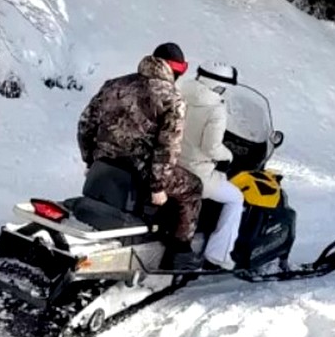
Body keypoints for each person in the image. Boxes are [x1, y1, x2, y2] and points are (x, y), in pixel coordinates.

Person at [77, 42, 204, 271]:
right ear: (176, 70)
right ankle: (180, 250)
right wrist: (158, 187)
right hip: (140, 172)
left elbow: (85, 125)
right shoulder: (172, 98)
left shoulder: (114, 85)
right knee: (194, 186)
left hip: (104, 165)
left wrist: (91, 160)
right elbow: (167, 147)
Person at [178, 63, 244, 272]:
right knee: (235, 198)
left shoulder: (180, 92)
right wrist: (228, 156)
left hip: (172, 166)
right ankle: (218, 254)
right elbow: (211, 146)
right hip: (196, 172)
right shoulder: (215, 108)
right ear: (218, 85)